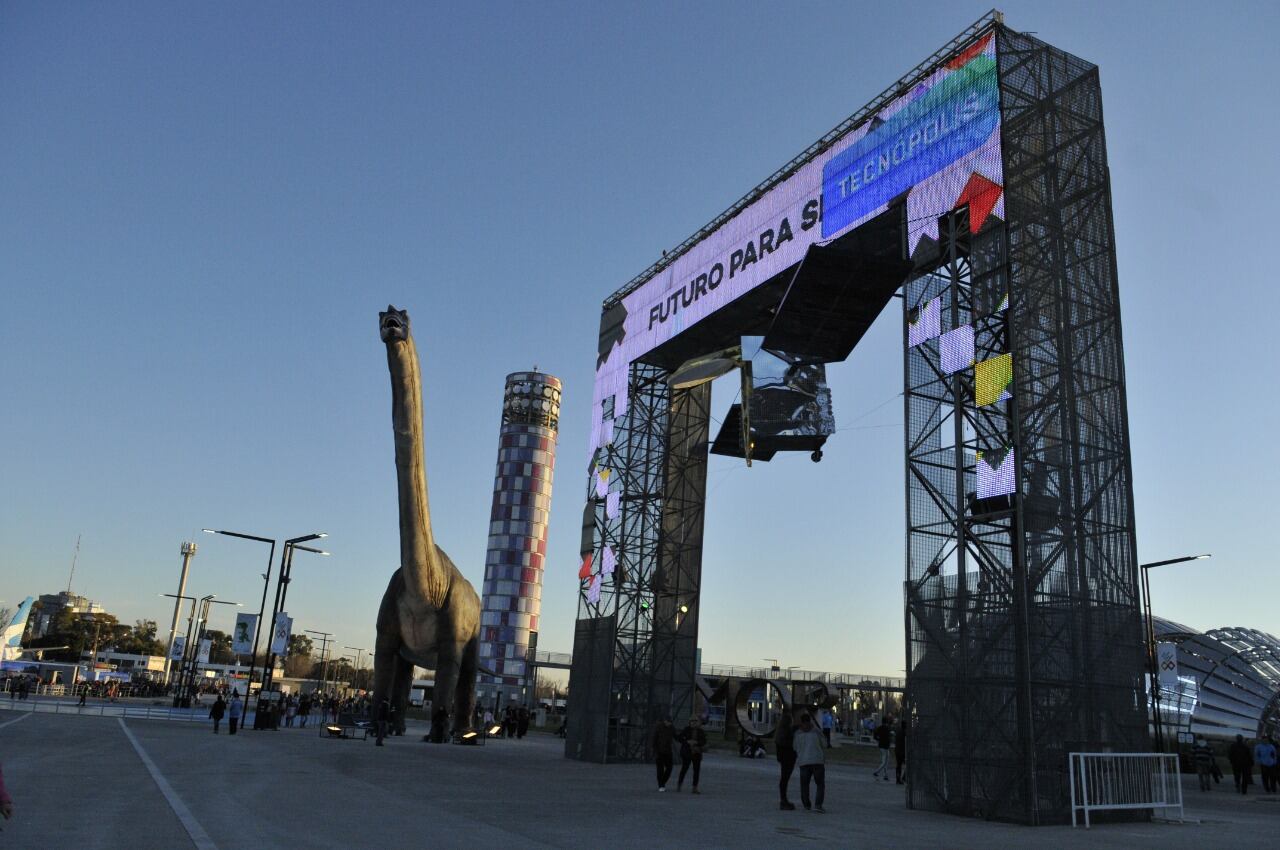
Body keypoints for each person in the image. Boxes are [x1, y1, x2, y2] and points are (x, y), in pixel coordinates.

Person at [794, 712, 827, 812]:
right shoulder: (816, 731)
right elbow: (824, 744)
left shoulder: (798, 733)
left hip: (804, 761)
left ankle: (806, 804)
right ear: (810, 720)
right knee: (820, 784)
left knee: (804, 784)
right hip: (817, 760)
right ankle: (818, 805)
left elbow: (795, 747)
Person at [676, 716, 706, 794]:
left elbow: (704, 741)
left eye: (695, 722)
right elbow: (679, 738)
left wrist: (697, 742)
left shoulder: (700, 731)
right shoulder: (686, 729)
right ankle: (679, 785)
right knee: (684, 769)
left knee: (696, 771)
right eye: (692, 722)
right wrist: (687, 741)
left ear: (697, 723)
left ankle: (694, 788)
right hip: (687, 752)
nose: (693, 723)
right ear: (689, 722)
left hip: (697, 753)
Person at [775, 707, 797, 810]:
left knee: (784, 778)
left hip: (785, 757)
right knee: (785, 778)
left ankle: (783, 799)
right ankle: (783, 801)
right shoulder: (786, 732)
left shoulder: (780, 732)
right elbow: (788, 742)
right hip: (787, 757)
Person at [651, 715, 675, 792]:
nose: (669, 724)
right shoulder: (658, 727)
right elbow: (654, 739)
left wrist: (683, 739)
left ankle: (662, 782)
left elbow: (675, 736)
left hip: (668, 751)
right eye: (669, 722)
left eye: (671, 723)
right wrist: (655, 750)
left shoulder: (671, 728)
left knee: (669, 768)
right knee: (660, 769)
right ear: (665, 721)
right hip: (659, 751)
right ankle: (661, 785)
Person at [872, 715, 893, 781]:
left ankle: (885, 775)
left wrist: (878, 739)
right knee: (885, 761)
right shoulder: (887, 729)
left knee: (885, 761)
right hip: (886, 747)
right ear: (886, 722)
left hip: (881, 746)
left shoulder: (879, 728)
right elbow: (888, 738)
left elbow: (875, 735)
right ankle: (877, 772)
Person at [895, 717, 907, 784]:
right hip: (902, 751)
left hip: (897, 751)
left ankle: (898, 778)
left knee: (898, 765)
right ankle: (904, 777)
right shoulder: (904, 733)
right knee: (907, 765)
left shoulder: (898, 731)